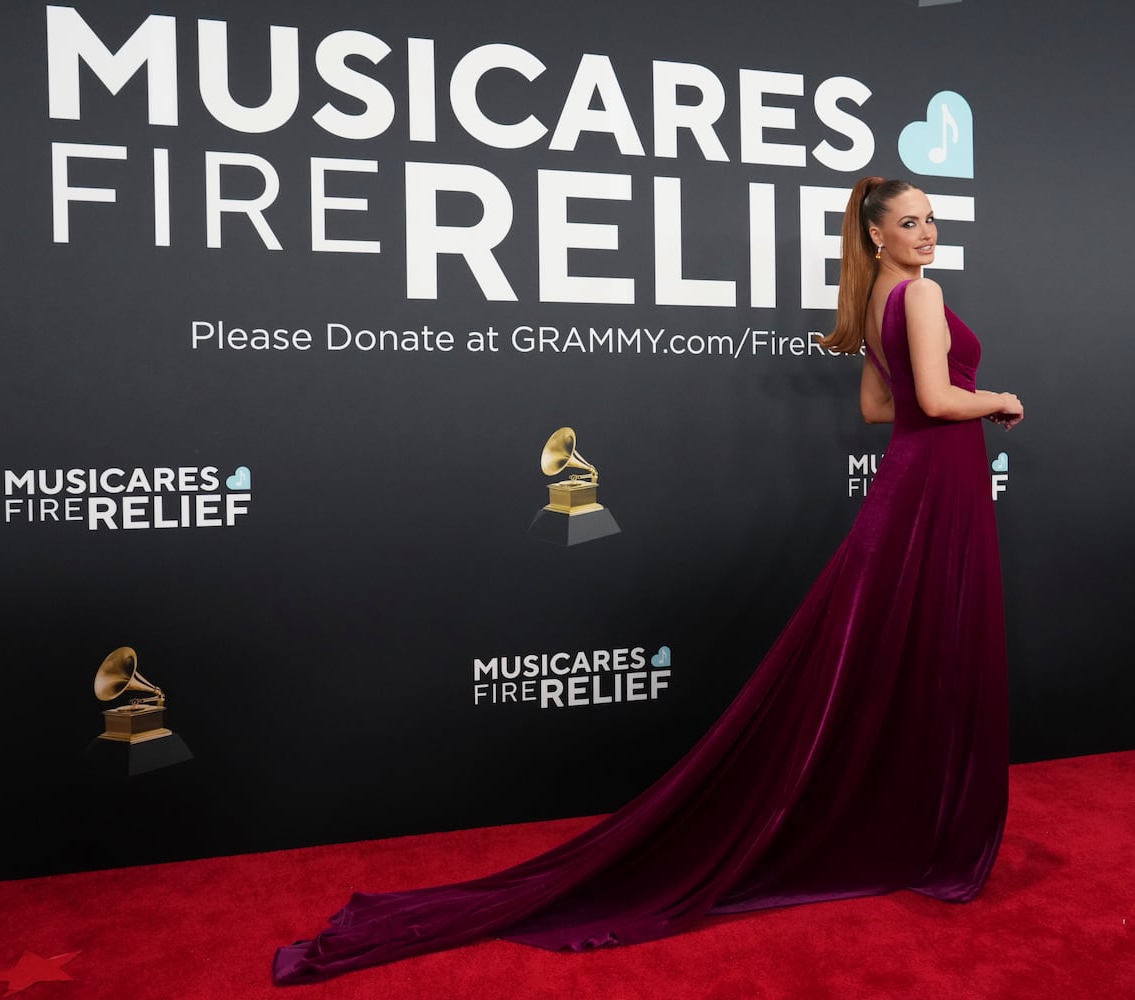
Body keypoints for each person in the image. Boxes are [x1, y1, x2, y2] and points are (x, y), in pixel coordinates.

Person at [273, 176, 1023, 985]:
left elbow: (882, 410)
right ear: (876, 235)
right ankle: (923, 824)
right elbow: (940, 398)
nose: (926, 234)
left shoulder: (869, 298)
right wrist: (1001, 398)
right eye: (909, 223)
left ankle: (893, 812)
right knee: (934, 645)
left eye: (931, 220)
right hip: (938, 482)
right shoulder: (918, 294)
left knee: (894, 650)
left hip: (907, 481)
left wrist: (951, 403)